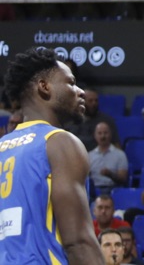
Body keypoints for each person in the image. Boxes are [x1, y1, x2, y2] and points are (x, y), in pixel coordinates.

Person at [0, 47, 100, 265]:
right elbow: (79, 242)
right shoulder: (59, 142)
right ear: (44, 87)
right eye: (71, 83)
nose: (80, 91)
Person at [88, 121, 129, 192]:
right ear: (95, 136)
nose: (102, 136)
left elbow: (123, 178)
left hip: (113, 189)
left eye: (105, 133)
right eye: (99, 133)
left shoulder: (120, 154)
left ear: (110, 134)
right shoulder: (89, 155)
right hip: (93, 190)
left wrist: (110, 174)